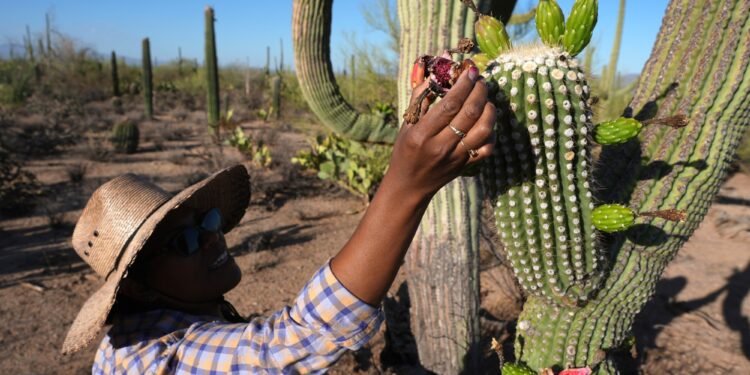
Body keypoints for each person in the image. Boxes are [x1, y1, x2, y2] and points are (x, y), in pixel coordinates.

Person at [62, 64, 496, 374]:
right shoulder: (157, 359)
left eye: (208, 221)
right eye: (185, 242)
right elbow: (286, 347)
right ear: (136, 284)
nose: (213, 239)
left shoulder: (146, 330)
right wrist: (407, 185)